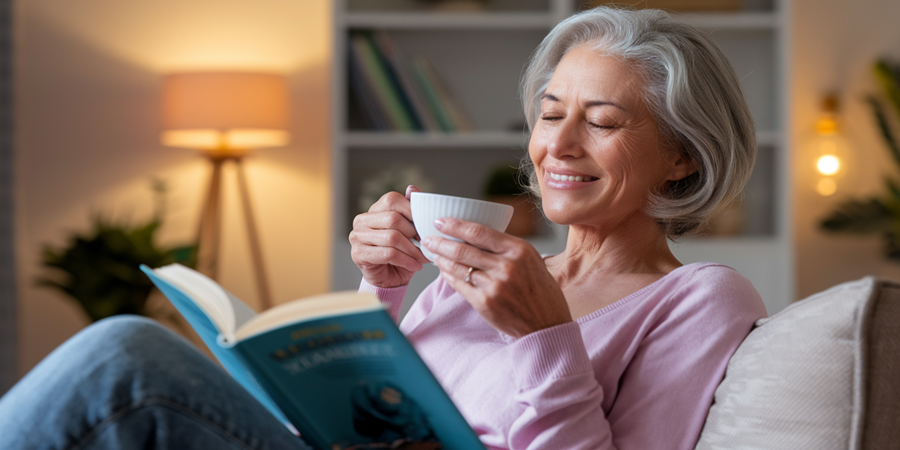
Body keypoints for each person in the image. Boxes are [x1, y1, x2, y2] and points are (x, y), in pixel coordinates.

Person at [0, 6, 766, 450]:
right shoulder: (487, 274)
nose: (558, 146)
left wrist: (544, 339)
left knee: (124, 355)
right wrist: (385, 291)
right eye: (550, 113)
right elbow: (367, 411)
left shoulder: (701, 298)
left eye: (601, 122)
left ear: (680, 158)